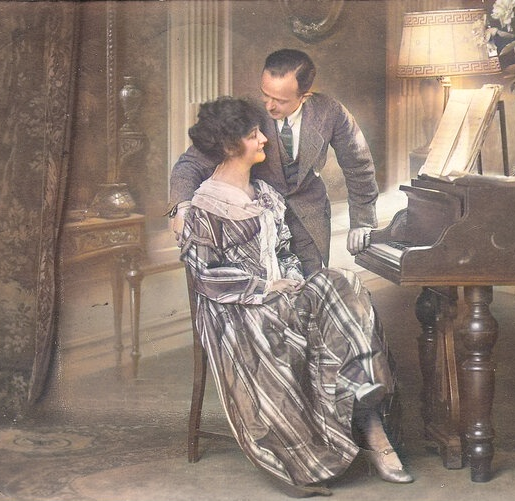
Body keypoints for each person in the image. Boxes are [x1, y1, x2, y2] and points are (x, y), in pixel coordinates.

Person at [179, 97, 412, 497]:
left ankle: (363, 394)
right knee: (281, 319)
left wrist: (290, 279)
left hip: (279, 293)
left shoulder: (266, 195)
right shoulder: (205, 205)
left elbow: (284, 253)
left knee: (343, 283)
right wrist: (263, 288)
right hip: (236, 311)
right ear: (231, 146)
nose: (264, 141)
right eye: (254, 135)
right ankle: (347, 432)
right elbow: (204, 274)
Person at [169, 48, 379, 275]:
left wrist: (362, 222)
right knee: (269, 290)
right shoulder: (247, 109)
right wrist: (182, 207)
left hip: (310, 221)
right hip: (258, 227)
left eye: (279, 100)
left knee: (311, 286)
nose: (269, 106)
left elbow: (359, 167)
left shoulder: (331, 112)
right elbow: (191, 163)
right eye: (265, 94)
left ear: (304, 96)